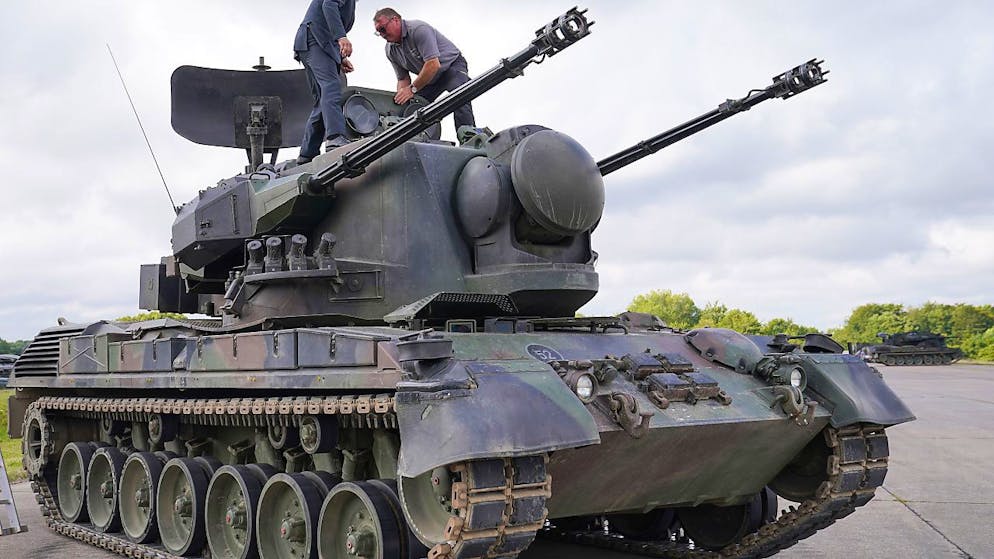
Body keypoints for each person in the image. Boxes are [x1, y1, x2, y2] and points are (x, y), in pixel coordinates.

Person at [373, 8, 476, 134]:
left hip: (451, 67)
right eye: (378, 32)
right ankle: (415, 139)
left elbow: (433, 64)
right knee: (412, 108)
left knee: (459, 94)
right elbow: (403, 79)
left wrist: (412, 90)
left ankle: (468, 135)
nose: (382, 35)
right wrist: (401, 100)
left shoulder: (418, 30)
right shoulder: (390, 50)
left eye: (383, 29)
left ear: (395, 20)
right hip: (429, 78)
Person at [294, 0, 356, 164]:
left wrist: (340, 57)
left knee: (324, 99)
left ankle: (307, 153)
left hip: (314, 42)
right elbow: (328, 5)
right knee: (331, 88)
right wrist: (342, 37)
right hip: (315, 40)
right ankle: (335, 138)